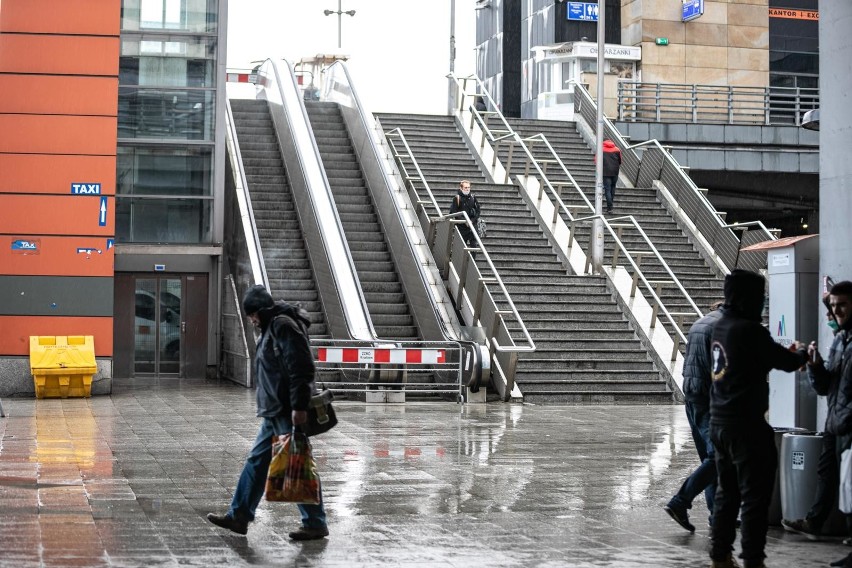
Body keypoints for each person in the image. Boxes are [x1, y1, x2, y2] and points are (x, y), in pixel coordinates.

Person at [207, 285, 328, 540]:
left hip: (286, 410)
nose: (251, 319)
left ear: (261, 310)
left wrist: (298, 407)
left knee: (297, 462)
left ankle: (315, 522)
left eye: (252, 314)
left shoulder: (283, 325)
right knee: (257, 462)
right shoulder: (271, 327)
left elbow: (302, 368)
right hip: (274, 411)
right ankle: (239, 516)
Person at [708, 269, 809, 568]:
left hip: (720, 423)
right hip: (746, 426)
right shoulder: (749, 329)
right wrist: (802, 353)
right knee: (755, 497)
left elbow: (751, 359)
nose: (763, 303)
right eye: (760, 297)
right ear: (749, 298)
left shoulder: (721, 326)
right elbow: (787, 362)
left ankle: (720, 555)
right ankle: (753, 560)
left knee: (728, 494)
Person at [792, 281, 852, 568]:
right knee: (829, 475)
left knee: (849, 484)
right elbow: (828, 386)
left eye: (843, 305)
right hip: (834, 421)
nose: (837, 310)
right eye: (834, 305)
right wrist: (815, 365)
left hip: (848, 423)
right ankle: (814, 521)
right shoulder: (841, 340)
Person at [665, 302, 724, 533]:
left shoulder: (700, 323)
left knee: (710, 460)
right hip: (709, 398)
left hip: (692, 395)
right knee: (718, 456)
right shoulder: (723, 328)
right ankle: (680, 501)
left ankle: (716, 515)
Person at [449, 180, 481, 249]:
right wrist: (464, 220)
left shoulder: (473, 197)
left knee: (474, 246)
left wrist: (472, 220)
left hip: (472, 226)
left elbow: (478, 211)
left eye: (468, 187)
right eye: (465, 187)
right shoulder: (457, 198)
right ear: (461, 188)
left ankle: (473, 259)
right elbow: (453, 212)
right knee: (461, 246)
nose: (467, 189)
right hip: (462, 226)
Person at [593, 139, 621, 214]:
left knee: (607, 189)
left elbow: (596, 160)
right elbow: (620, 161)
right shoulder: (617, 149)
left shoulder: (601, 149)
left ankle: (610, 207)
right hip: (615, 172)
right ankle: (610, 204)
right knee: (613, 187)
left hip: (606, 172)